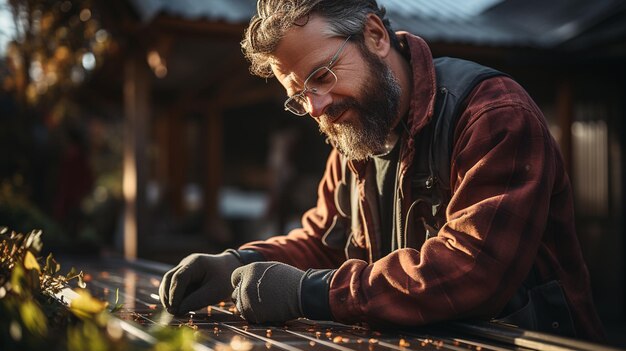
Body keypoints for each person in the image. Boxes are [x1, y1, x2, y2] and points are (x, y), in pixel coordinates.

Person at [159, 0, 605, 341]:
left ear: (374, 35)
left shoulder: (493, 115)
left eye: (322, 76)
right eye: (299, 97)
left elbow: (473, 270)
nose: (317, 108)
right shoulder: (356, 136)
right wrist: (239, 261)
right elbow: (321, 241)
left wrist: (312, 293)